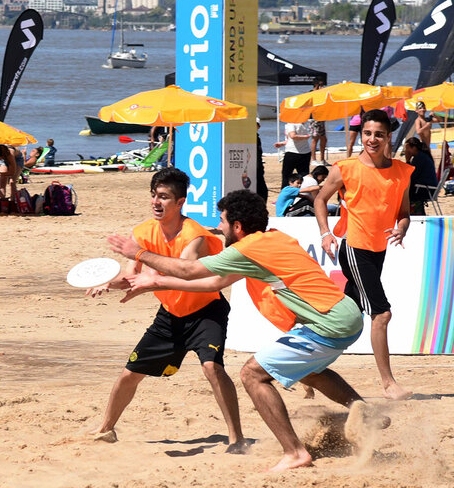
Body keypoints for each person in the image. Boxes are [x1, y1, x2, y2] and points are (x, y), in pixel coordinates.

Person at [114, 189, 387, 472]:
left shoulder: (246, 249)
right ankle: (363, 412)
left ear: (237, 226)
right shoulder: (274, 238)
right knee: (308, 369)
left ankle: (294, 453)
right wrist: (157, 284)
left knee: (252, 374)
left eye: (222, 221)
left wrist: (139, 254)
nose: (218, 228)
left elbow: (188, 269)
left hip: (329, 322)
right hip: (347, 314)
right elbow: (214, 284)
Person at [86, 168, 246, 453]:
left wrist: (149, 275)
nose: (156, 202)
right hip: (171, 314)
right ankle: (105, 429)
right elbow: (129, 277)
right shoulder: (143, 232)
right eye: (153, 196)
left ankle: (236, 439)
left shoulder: (194, 234)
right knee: (129, 374)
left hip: (206, 311)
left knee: (212, 367)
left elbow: (185, 273)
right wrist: (108, 284)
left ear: (180, 202)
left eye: (164, 197)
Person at [314, 109, 414, 400]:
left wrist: (402, 228)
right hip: (355, 247)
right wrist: (325, 233)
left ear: (388, 137)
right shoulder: (344, 168)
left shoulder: (401, 172)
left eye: (378, 134)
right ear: (362, 134)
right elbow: (320, 199)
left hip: (379, 250)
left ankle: (307, 369)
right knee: (381, 313)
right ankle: (388, 384)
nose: (372, 139)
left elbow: (404, 213)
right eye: (367, 133)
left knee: (345, 316)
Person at [404, 137, 438, 215]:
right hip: (427, 187)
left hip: (425, 189)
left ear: (414, 148)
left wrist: (407, 161)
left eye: (407, 149)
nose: (406, 151)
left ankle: (413, 214)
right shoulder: (422, 156)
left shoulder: (419, 158)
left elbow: (411, 176)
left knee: (404, 192)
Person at [273, 119, 311, 190]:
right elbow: (292, 138)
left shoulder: (291, 123)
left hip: (293, 153)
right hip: (304, 152)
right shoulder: (304, 124)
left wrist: (305, 137)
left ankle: (285, 193)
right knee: (303, 175)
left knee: (287, 175)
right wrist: (282, 143)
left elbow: (293, 136)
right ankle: (303, 192)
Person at [255, 118, 268, 202]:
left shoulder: (257, 137)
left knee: (262, 191)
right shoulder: (250, 137)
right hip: (253, 167)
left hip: (258, 167)